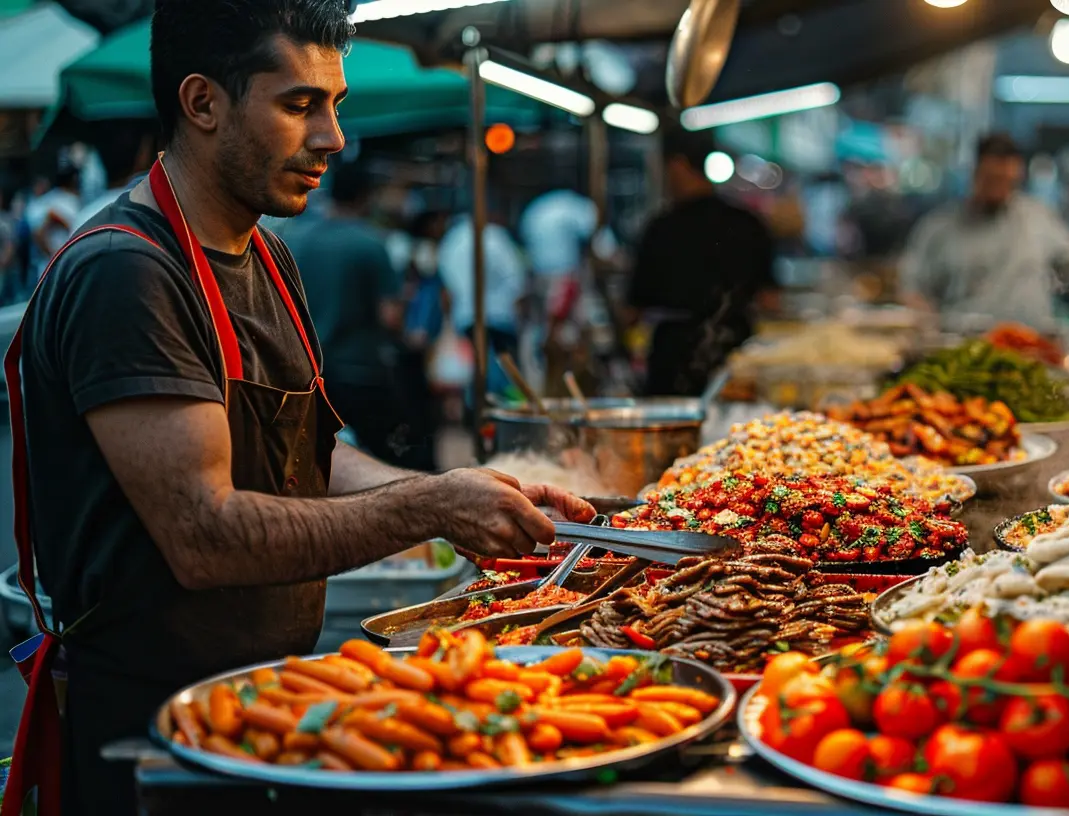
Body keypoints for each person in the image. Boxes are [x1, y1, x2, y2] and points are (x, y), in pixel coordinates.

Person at [2, 3, 594, 815]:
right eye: (299, 105)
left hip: (269, 698)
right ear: (203, 103)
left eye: (336, 105)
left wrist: (458, 487)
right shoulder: (126, 274)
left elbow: (311, 452)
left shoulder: (268, 256)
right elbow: (203, 537)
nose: (333, 139)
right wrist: (427, 508)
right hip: (150, 734)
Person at [291, 161, 435, 470]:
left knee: (320, 464)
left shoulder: (297, 240)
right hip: (361, 374)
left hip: (309, 374)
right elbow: (391, 318)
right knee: (382, 462)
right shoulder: (371, 244)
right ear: (366, 196)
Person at [627, 128, 776, 396]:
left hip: (672, 358)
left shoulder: (661, 229)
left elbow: (632, 311)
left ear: (678, 165)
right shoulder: (747, 223)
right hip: (737, 355)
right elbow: (770, 299)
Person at [900, 133, 1069, 331]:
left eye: (1008, 181)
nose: (1001, 189)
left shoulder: (1039, 218)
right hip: (965, 347)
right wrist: (929, 328)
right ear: (975, 173)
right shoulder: (937, 228)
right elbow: (913, 291)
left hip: (1033, 345)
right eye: (993, 180)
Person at [436, 204, 528, 394]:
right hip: (501, 316)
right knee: (501, 376)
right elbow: (518, 282)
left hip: (466, 317)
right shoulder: (497, 237)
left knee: (477, 373)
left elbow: (447, 289)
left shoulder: (452, 241)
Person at [22, 163, 81, 286]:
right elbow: (39, 232)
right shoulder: (64, 200)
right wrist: (52, 254)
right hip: (56, 265)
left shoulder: (56, 198)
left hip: (57, 264)